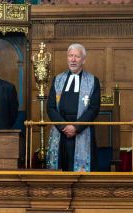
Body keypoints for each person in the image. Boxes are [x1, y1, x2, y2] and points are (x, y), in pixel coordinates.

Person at [46, 43, 101, 171]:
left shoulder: (93, 81)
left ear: (83, 60)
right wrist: (64, 126)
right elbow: (51, 107)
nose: (73, 59)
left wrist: (76, 127)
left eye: (77, 56)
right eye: (70, 56)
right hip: (61, 131)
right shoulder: (58, 79)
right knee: (60, 168)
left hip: (81, 130)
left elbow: (94, 108)